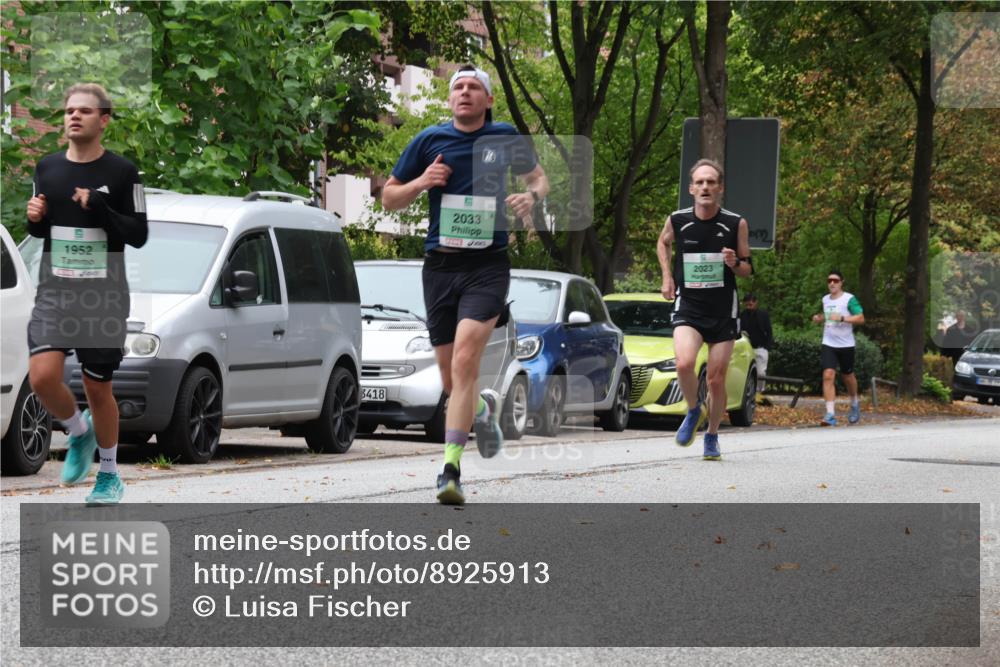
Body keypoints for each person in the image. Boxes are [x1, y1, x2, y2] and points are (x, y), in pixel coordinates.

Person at [382, 65, 549, 504]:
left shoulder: (505, 135)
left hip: (487, 267)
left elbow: (540, 179)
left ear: (488, 100)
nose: (466, 92)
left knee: (463, 362)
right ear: (450, 98)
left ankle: (450, 470)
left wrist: (529, 197)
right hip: (440, 267)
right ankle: (481, 410)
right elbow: (389, 197)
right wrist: (422, 182)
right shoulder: (430, 141)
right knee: (451, 377)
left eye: (475, 87)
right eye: (459, 87)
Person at [26, 83, 147, 505]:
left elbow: (139, 234)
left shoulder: (123, 173)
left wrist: (100, 206)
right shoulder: (47, 168)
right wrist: (35, 219)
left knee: (98, 389)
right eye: (69, 110)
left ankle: (109, 476)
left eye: (84, 111)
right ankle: (78, 432)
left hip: (103, 295)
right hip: (55, 291)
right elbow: (41, 228)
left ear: (104, 120)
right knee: (41, 375)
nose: (73, 116)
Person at [657, 158, 752, 461]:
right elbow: (663, 243)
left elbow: (748, 269)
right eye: (700, 182)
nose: (705, 187)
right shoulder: (678, 219)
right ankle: (694, 409)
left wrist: (734, 262)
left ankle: (712, 434)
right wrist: (667, 276)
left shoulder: (736, 223)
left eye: (711, 182)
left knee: (716, 379)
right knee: (684, 363)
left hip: (724, 308)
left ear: (720, 188)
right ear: (691, 188)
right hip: (690, 304)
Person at [811, 270, 865, 426]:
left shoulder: (849, 299)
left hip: (846, 344)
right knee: (828, 374)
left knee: (848, 376)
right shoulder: (825, 299)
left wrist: (842, 318)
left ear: (842, 282)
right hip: (829, 343)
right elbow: (828, 316)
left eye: (835, 280)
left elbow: (861, 318)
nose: (832, 283)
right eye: (829, 281)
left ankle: (854, 403)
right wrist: (819, 318)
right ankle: (830, 414)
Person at [739, 293, 772, 403]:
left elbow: (769, 331)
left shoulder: (763, 314)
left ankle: (760, 393)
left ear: (756, 302)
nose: (750, 305)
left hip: (760, 348)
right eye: (747, 303)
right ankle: (748, 393)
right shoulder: (742, 316)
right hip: (746, 349)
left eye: (752, 302)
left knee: (761, 372)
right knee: (745, 372)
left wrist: (767, 347)